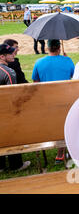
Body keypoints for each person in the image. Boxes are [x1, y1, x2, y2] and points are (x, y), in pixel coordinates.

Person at [32, 39, 75, 163]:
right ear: (59, 48)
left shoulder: (39, 62)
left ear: (47, 48)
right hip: (64, 98)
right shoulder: (67, 60)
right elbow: (73, 76)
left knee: (54, 123)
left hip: (47, 99)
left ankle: (58, 151)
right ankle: (61, 153)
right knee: (64, 124)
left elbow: (36, 82)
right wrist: (66, 59)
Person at [0, 43, 31, 173]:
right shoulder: (9, 72)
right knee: (12, 135)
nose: (14, 54)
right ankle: (16, 164)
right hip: (7, 112)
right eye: (10, 53)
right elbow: (13, 96)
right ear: (2, 56)